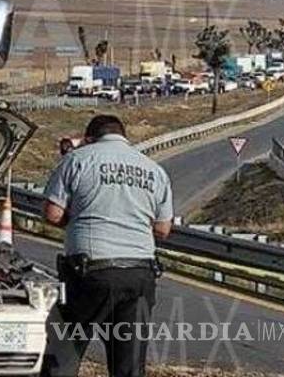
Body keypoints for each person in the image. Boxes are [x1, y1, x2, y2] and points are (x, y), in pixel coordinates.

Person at [41, 114, 173, 377]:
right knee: (128, 365)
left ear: (89, 138)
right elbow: (163, 229)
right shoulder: (153, 169)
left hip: (89, 271)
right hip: (139, 274)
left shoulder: (77, 160)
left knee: (65, 351)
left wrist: (77, 218)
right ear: (124, 136)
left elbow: (52, 214)